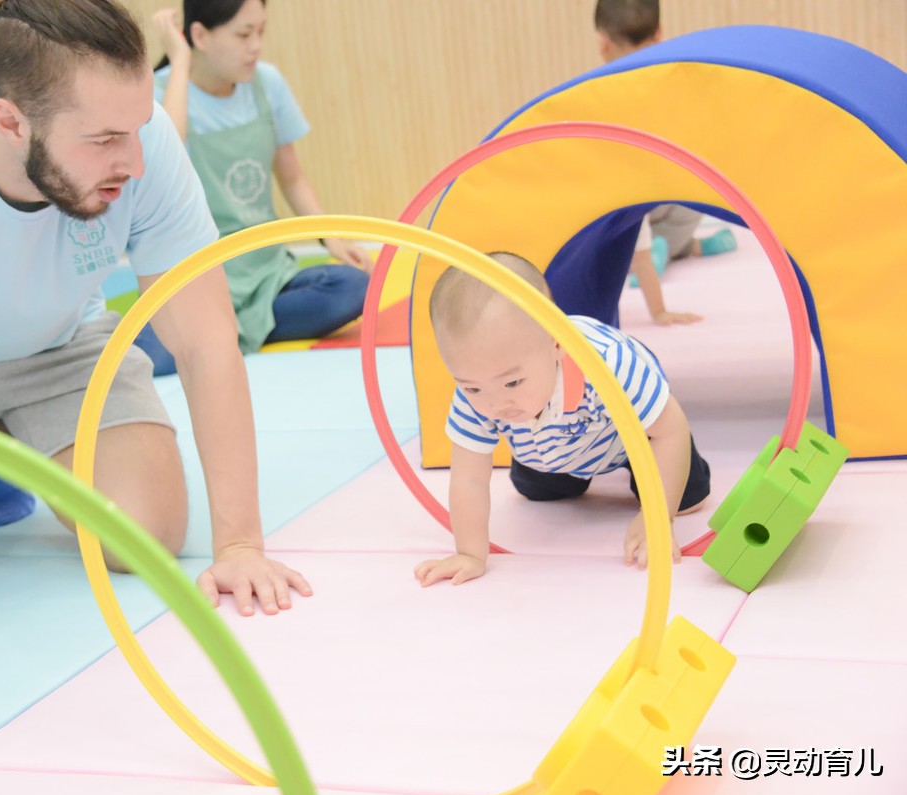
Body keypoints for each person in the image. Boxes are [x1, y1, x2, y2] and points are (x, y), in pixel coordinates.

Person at [0, 0, 311, 718]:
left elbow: (204, 340)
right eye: (103, 139)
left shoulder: (145, 144)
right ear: (10, 121)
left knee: (146, 535)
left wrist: (241, 542)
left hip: (60, 353)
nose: (132, 162)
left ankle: (9, 448)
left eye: (136, 131)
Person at [413, 254, 711, 587]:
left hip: (633, 439)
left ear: (556, 343)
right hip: (548, 447)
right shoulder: (478, 390)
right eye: (471, 387)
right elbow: (469, 477)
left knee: (688, 497)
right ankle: (565, 469)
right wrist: (469, 553)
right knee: (538, 492)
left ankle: (656, 492)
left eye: (512, 383)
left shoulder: (608, 365)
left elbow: (670, 428)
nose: (495, 403)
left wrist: (657, 517)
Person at [135, 0, 372, 375]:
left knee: (353, 287)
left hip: (266, 272)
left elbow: (292, 178)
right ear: (200, 36)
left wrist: (332, 239)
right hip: (200, 277)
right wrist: (180, 62)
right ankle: (221, 329)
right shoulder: (163, 93)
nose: (256, 45)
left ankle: (225, 333)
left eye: (260, 32)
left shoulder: (268, 83)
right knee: (146, 360)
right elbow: (168, 159)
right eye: (244, 34)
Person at [594, 0, 737, 325]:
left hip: (623, 199)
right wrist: (659, 311)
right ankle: (681, 248)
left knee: (634, 233)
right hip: (650, 196)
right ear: (659, 35)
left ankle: (672, 250)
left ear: (602, 43)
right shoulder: (671, 79)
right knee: (690, 204)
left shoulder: (597, 91)